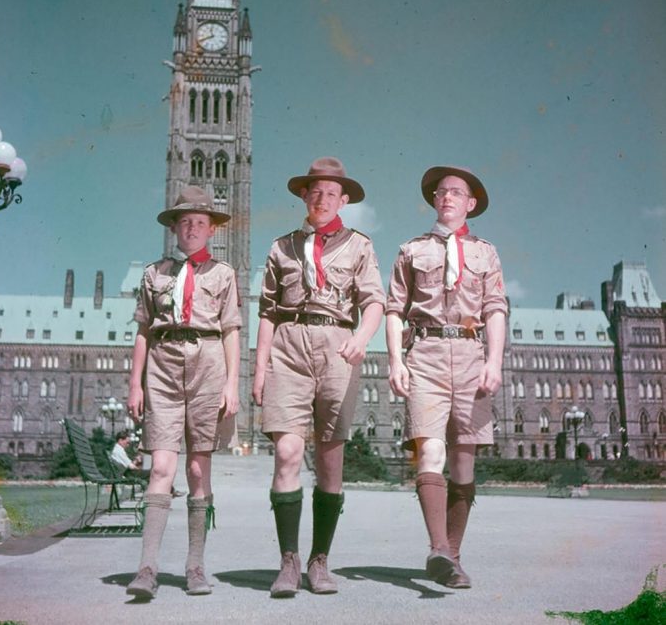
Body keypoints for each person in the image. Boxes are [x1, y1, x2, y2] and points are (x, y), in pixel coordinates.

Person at [253, 157, 385, 598]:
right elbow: (268, 313)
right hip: (289, 347)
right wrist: (259, 367)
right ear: (304, 196)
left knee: (330, 463)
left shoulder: (359, 246)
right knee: (288, 452)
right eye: (315, 191)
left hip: (337, 348)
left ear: (343, 200)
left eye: (332, 193)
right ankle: (289, 561)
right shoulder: (282, 248)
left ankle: (319, 560)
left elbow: (373, 303)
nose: (322, 198)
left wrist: (362, 338)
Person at [386, 166, 507, 589]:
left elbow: (495, 308)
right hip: (426, 353)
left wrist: (494, 361)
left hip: (472, 356)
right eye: (441, 192)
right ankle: (438, 547)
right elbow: (393, 309)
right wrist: (396, 360)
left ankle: (452, 556)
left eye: (457, 192)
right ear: (434, 201)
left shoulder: (486, 253)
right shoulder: (410, 249)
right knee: (431, 451)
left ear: (470, 203)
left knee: (463, 463)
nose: (447, 198)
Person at [125, 186, 241, 600]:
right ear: (174, 228)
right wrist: (135, 383)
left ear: (211, 229)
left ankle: (195, 565)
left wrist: (231, 383)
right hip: (163, 363)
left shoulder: (224, 274)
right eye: (184, 221)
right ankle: (147, 567)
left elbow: (231, 332)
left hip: (208, 364)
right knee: (160, 468)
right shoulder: (153, 274)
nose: (192, 228)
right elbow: (141, 331)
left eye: (199, 222)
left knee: (197, 471)